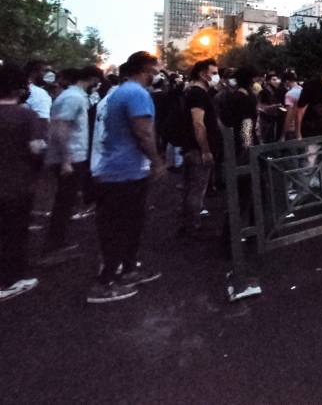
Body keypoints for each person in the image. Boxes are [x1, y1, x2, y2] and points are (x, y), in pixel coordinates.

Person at [91, 51, 164, 304]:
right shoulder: (135, 93)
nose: (159, 73)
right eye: (156, 68)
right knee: (119, 227)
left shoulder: (120, 92)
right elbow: (143, 133)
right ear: (146, 69)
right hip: (123, 171)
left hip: (121, 169)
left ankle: (129, 269)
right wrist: (157, 162)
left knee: (130, 224)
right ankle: (105, 282)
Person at [40, 66, 103, 264]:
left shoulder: (73, 96)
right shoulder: (73, 98)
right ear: (92, 79)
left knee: (65, 201)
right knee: (64, 202)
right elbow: (61, 128)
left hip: (71, 156)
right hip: (70, 158)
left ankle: (57, 243)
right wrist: (66, 159)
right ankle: (53, 247)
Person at [0, 65, 46, 302]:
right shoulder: (27, 116)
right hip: (17, 184)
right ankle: (10, 280)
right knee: (14, 233)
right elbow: (37, 149)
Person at [179, 59, 222, 237]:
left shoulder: (196, 92)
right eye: (213, 73)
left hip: (192, 148)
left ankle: (188, 223)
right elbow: (198, 123)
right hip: (197, 150)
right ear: (202, 74)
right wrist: (205, 150)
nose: (216, 77)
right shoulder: (198, 94)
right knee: (197, 189)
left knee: (191, 188)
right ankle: (192, 226)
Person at [257, 72, 285, 143]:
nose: (276, 81)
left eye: (277, 79)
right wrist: (274, 106)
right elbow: (260, 107)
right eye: (274, 79)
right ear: (268, 81)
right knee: (267, 139)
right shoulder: (263, 92)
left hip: (276, 120)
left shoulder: (278, 91)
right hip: (267, 121)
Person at [281, 71, 302, 140]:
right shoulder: (303, 90)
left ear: (287, 81)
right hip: (303, 125)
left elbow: (289, 115)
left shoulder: (289, 94)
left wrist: (283, 134)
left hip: (292, 127)